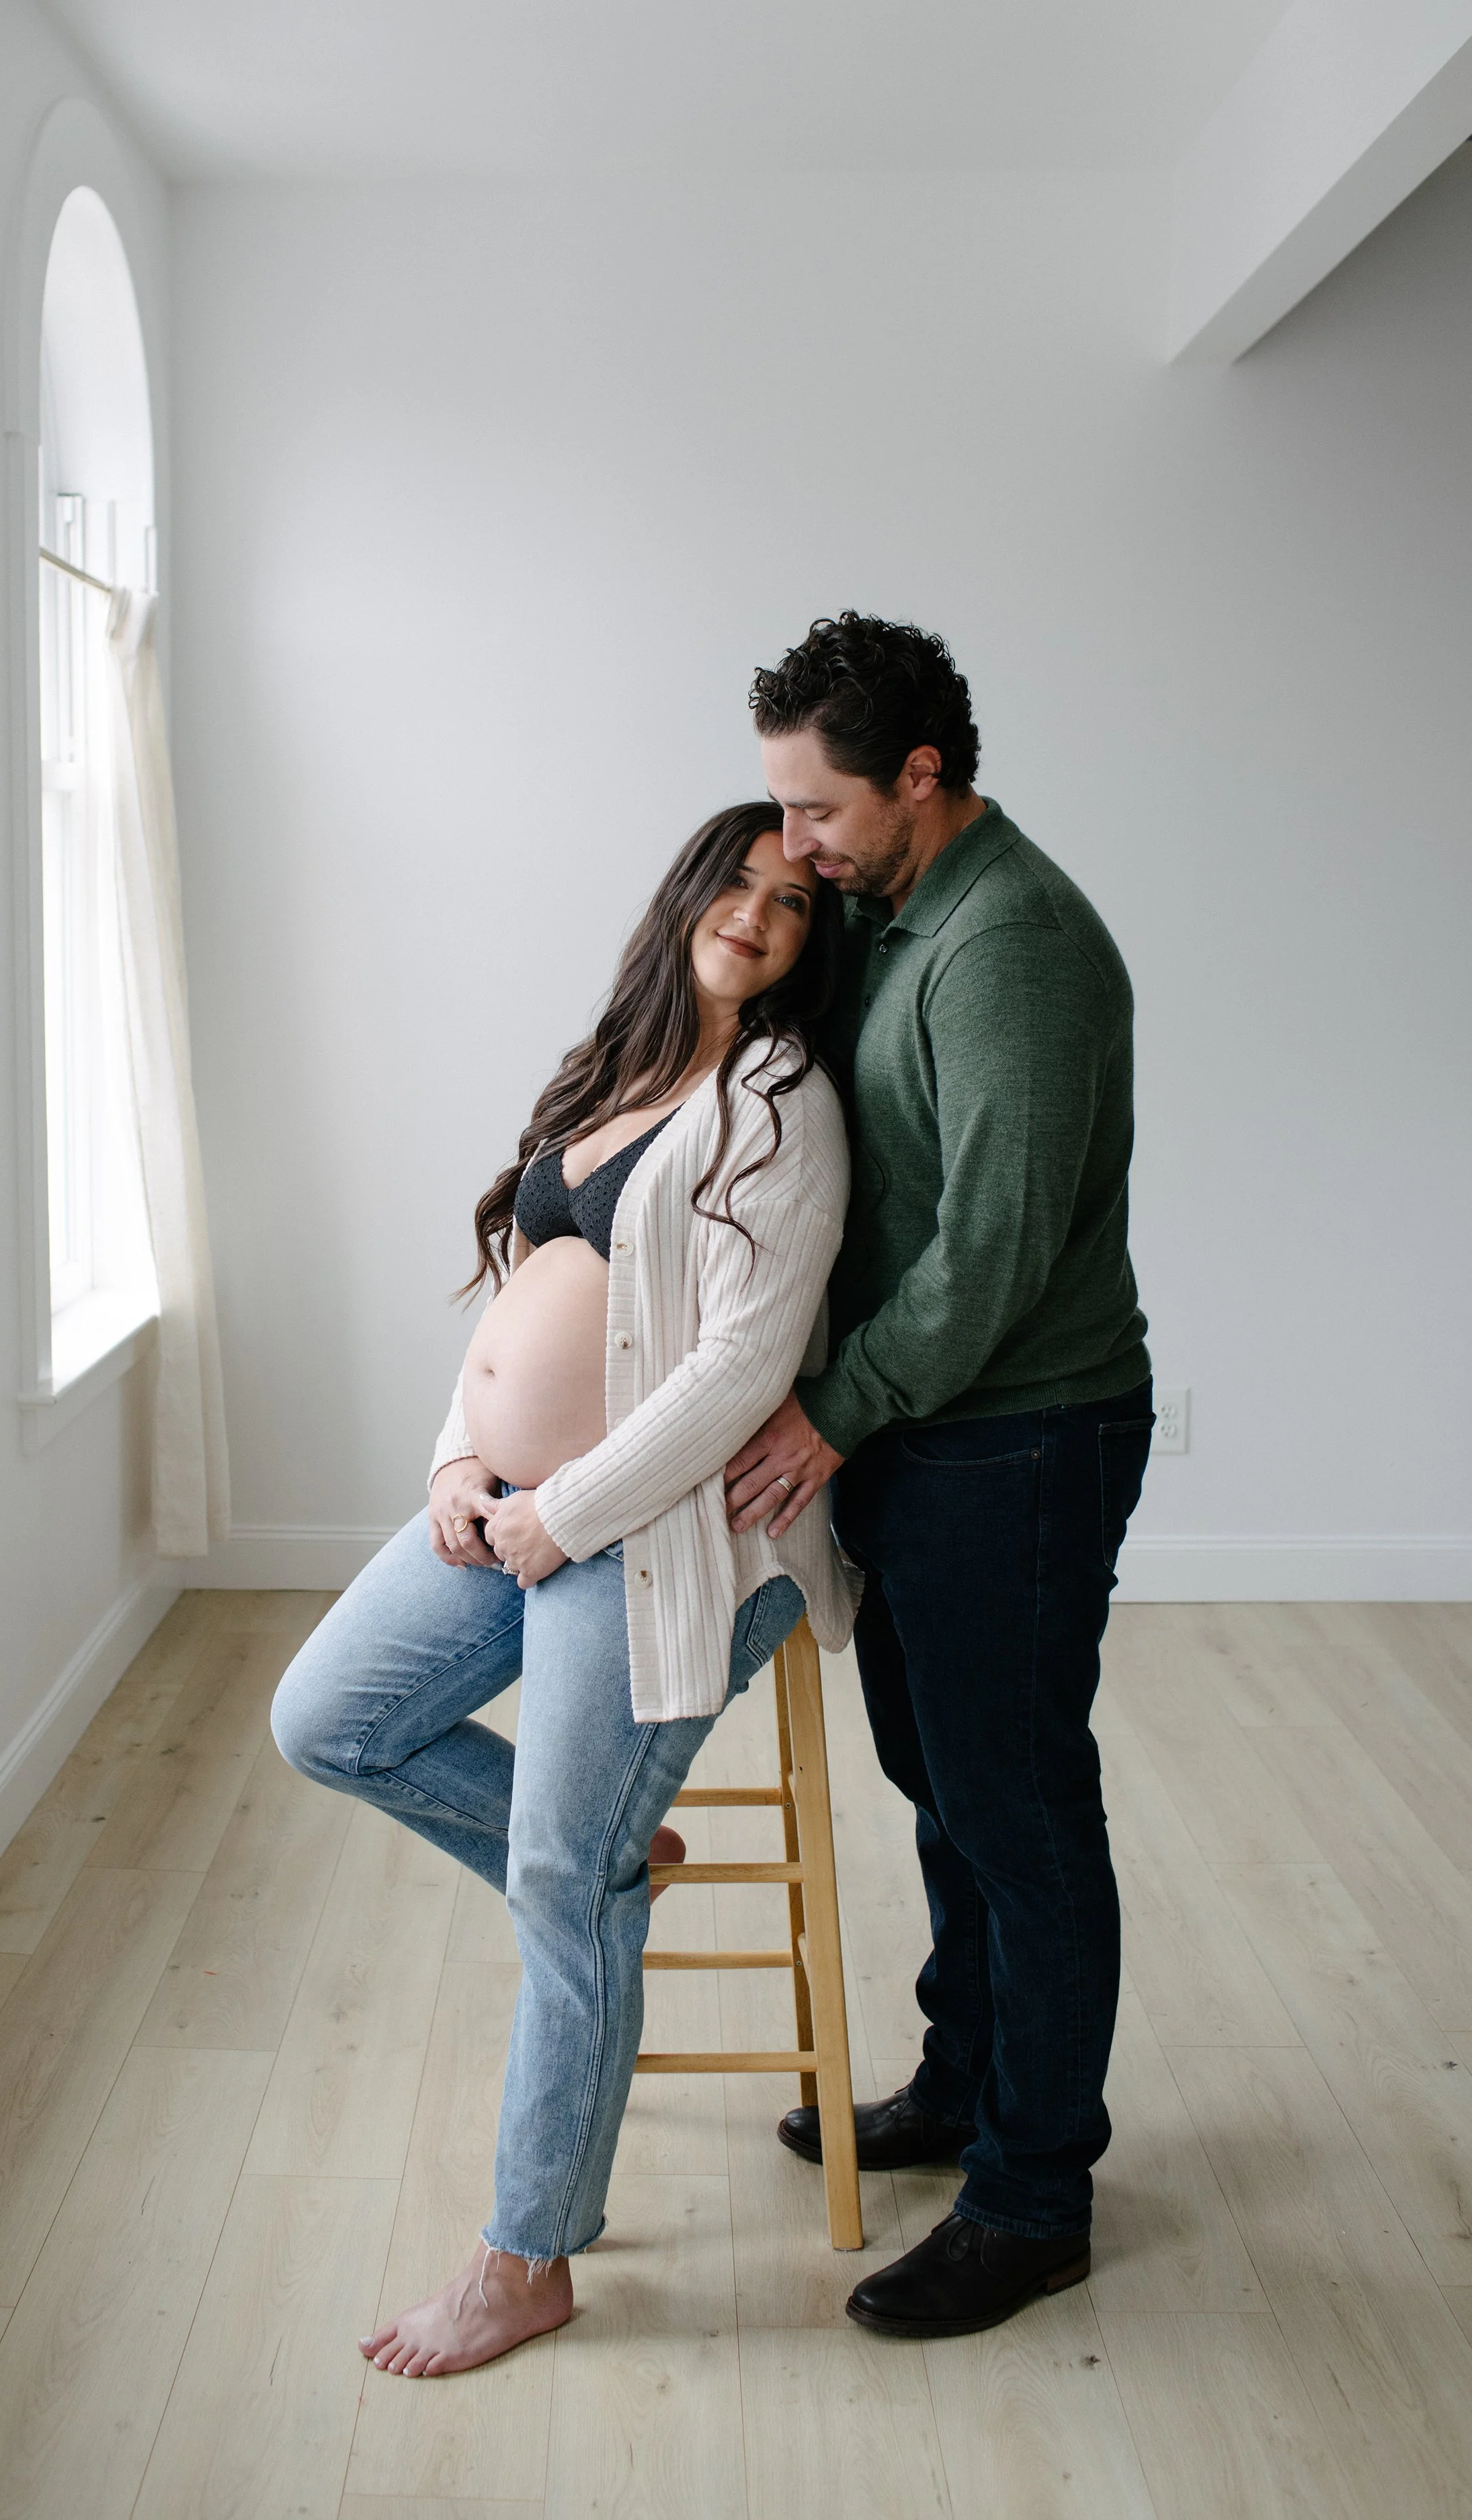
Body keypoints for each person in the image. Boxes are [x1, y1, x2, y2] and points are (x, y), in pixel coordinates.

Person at [272, 802, 859, 2377]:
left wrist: (570, 1514)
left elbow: (744, 1361)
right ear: (681, 899)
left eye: (789, 905)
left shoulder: (780, 1100)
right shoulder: (613, 1072)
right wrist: (458, 1468)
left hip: (673, 1540)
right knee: (325, 1718)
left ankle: (527, 2257)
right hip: (508, 1511)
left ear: (810, 945)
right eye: (732, 886)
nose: (753, 915)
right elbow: (519, 1302)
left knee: (557, 1885)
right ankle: (607, 1846)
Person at [725, 614, 1153, 2341]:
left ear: (919, 777)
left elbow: (988, 1253)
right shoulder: (897, 912)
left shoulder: (1014, 947)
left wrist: (827, 1415)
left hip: (1018, 1439)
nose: (795, 847)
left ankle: (1032, 2193)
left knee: (1019, 1811)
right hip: (928, 1432)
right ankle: (964, 2083)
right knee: (944, 1782)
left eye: (815, 811)